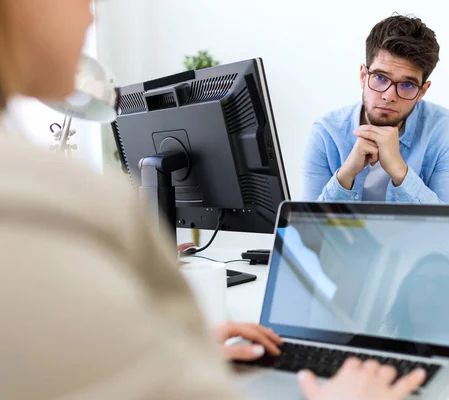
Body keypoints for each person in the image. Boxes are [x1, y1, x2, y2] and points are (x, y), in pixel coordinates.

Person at [0, 1, 425, 399]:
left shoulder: (41, 193)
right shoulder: (38, 203)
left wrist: (180, 350)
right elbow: (312, 228)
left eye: (405, 85)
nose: (91, 18)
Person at [302, 14, 449, 205]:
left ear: (422, 91)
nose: (389, 96)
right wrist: (346, 174)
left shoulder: (446, 130)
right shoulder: (326, 133)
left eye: (407, 85)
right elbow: (308, 229)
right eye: (380, 78)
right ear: (363, 76)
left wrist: (400, 171)